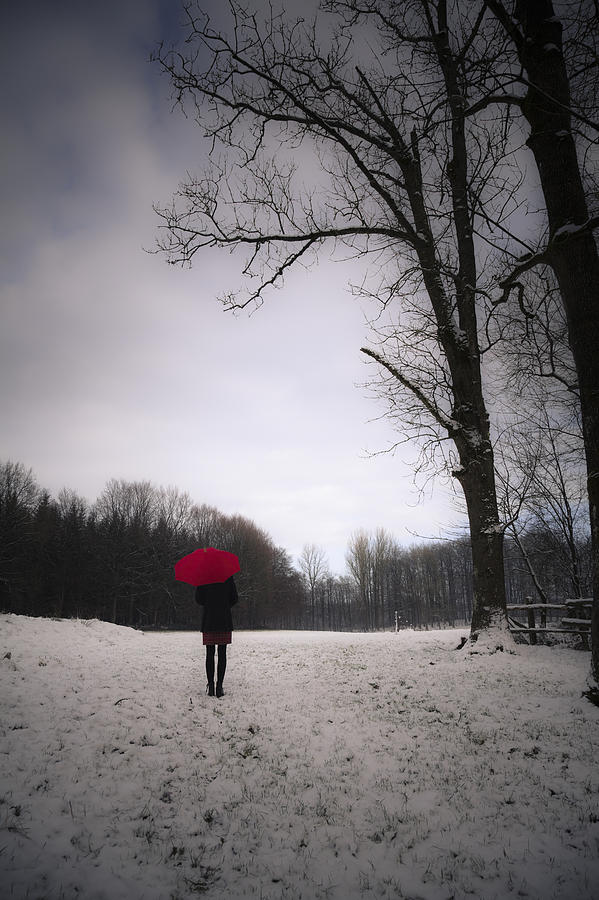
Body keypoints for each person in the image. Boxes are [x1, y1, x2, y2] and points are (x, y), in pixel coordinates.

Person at [195, 576, 238, 697]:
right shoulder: (227, 576)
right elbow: (234, 598)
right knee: (222, 653)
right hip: (224, 619)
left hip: (209, 619)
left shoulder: (204, 576)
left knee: (209, 653)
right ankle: (219, 686)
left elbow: (198, 599)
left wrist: (209, 601)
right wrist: (224, 603)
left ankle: (211, 686)